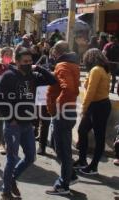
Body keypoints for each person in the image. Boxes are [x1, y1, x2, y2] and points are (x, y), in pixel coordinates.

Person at [0, 49, 56, 200]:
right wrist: (11, 119)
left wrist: (40, 68)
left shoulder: (33, 76)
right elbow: (0, 101)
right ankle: (6, 191)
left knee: (30, 157)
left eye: (30, 61)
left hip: (28, 124)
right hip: (13, 126)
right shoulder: (8, 76)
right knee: (12, 158)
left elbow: (53, 81)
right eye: (25, 62)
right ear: (17, 62)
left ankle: (11, 179)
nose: (28, 64)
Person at [46, 41, 80, 195]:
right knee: (58, 145)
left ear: (57, 51)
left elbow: (69, 88)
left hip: (63, 113)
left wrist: (57, 106)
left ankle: (63, 185)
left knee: (63, 150)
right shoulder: (70, 64)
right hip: (67, 112)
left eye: (53, 51)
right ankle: (70, 175)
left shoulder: (63, 65)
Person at [74, 49, 111, 174]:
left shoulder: (96, 70)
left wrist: (84, 108)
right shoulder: (103, 69)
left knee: (99, 136)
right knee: (82, 130)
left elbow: (91, 91)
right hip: (99, 105)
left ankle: (93, 166)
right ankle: (82, 160)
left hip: (98, 106)